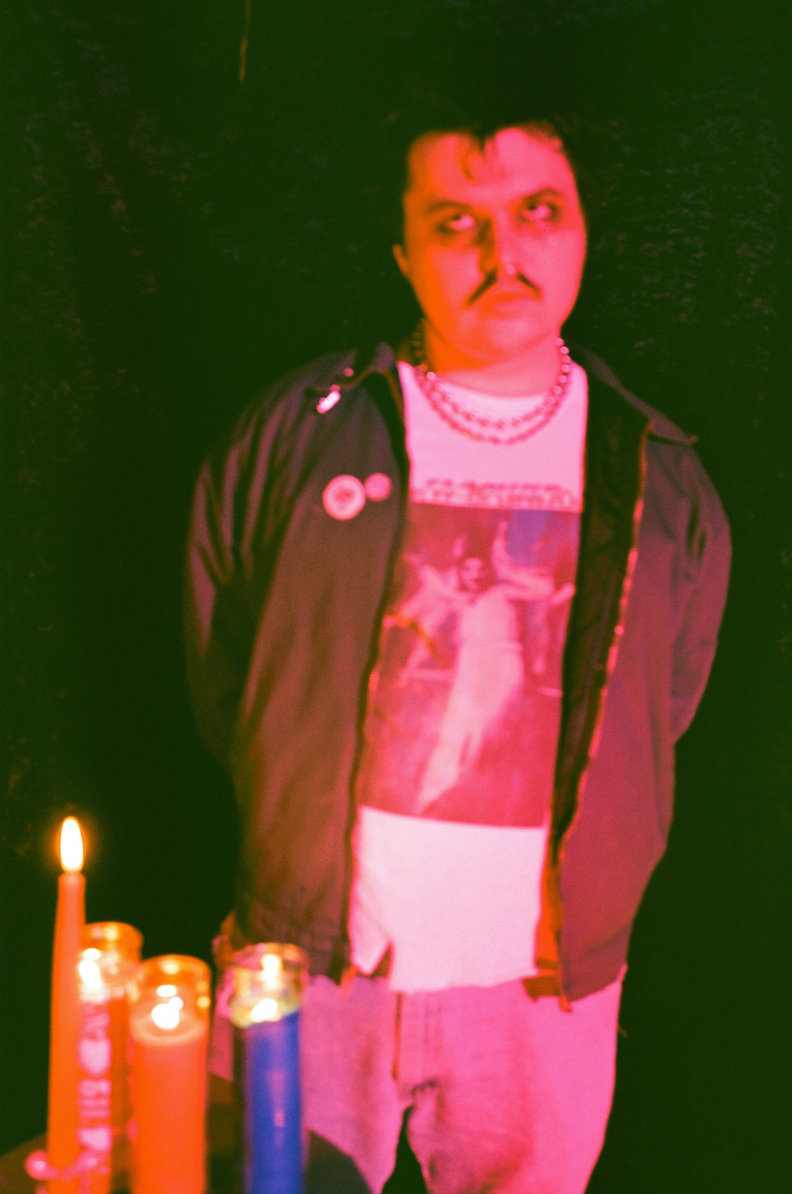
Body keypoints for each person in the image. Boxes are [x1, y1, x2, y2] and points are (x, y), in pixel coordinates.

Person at [185, 85, 731, 1194]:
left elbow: (663, 708)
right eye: (455, 222)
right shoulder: (298, 433)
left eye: (538, 211)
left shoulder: (659, 475)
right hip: (313, 971)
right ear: (402, 251)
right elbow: (228, 673)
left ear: (583, 230)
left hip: (540, 998)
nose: (501, 251)